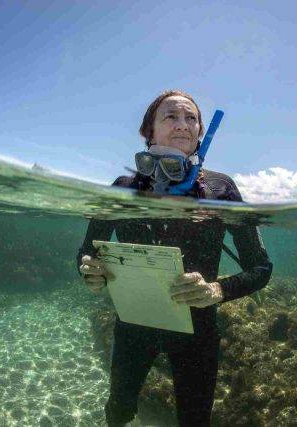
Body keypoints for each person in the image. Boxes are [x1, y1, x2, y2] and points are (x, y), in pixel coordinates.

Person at [77, 90, 273, 426]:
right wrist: (89, 272)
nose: (183, 124)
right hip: (134, 326)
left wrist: (217, 290)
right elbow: (85, 254)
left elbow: (261, 267)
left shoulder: (220, 189)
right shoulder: (122, 189)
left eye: (191, 118)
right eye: (171, 116)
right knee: (119, 410)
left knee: (194, 421)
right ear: (149, 131)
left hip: (198, 331)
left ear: (200, 133)